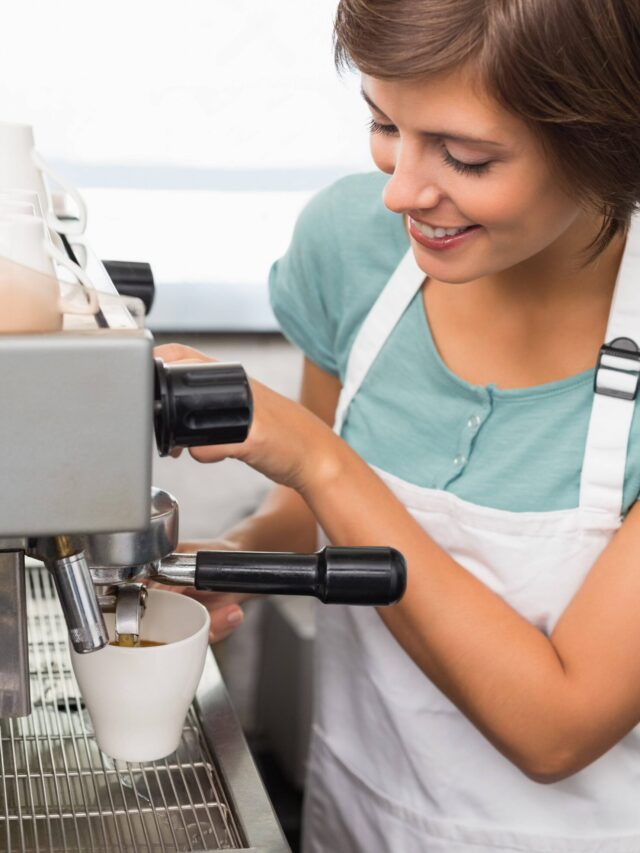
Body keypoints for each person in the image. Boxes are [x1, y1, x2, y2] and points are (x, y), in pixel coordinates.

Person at [158, 1, 640, 850]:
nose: (401, 191)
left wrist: (321, 460)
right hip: (356, 813)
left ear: (611, 138)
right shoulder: (353, 243)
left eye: (466, 157)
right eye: (384, 122)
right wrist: (231, 562)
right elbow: (314, 519)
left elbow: (557, 725)